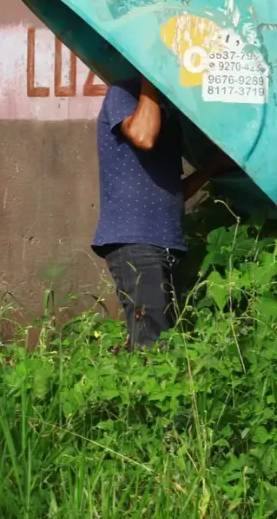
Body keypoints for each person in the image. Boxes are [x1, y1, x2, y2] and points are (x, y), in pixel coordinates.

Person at [92, 75, 233, 349]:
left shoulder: (165, 112)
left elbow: (170, 192)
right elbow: (143, 137)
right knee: (154, 347)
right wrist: (151, 77)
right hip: (137, 241)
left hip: (165, 243)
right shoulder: (124, 92)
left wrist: (210, 168)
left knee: (159, 341)